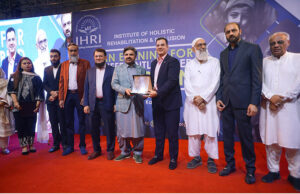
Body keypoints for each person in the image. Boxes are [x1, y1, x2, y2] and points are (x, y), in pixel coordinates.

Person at [216, 22, 263, 184]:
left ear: (240, 31)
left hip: (244, 103)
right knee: (227, 137)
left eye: (233, 30)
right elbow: (222, 78)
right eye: (228, 32)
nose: (231, 33)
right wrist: (219, 98)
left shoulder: (252, 49)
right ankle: (230, 165)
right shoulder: (223, 54)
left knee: (245, 138)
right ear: (225, 35)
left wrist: (254, 102)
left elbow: (257, 79)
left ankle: (250, 169)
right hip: (227, 102)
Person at [259, 32, 300, 191]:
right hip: (269, 109)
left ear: (287, 42)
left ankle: (295, 174)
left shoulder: (297, 59)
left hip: (290, 108)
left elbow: (298, 84)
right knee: (272, 142)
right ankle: (273, 171)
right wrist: (271, 97)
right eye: (273, 43)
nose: (276, 45)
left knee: (292, 144)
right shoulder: (264, 62)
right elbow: (259, 82)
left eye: (280, 42)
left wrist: (280, 99)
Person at [183, 38, 220, 173]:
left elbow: (216, 82)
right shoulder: (189, 64)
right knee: (193, 132)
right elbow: (187, 83)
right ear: (193, 49)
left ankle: (211, 159)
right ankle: (196, 157)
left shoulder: (214, 62)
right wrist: (195, 99)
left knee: (210, 131)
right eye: (199, 45)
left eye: (204, 44)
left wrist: (204, 98)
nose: (203, 47)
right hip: (192, 104)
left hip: (209, 103)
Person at [148, 37, 182, 170]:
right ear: (155, 48)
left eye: (162, 45)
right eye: (157, 45)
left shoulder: (173, 61)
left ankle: (173, 158)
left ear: (167, 47)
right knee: (159, 131)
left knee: (172, 133)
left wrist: (157, 92)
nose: (160, 47)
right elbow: (152, 82)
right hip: (157, 102)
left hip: (171, 103)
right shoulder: (152, 63)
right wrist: (147, 92)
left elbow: (172, 81)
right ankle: (158, 155)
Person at [111, 46, 146, 164]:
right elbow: (114, 84)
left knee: (138, 130)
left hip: (137, 104)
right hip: (123, 103)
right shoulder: (118, 69)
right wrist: (124, 90)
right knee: (122, 131)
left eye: (131, 54)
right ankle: (124, 152)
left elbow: (144, 86)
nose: (128, 56)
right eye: (126, 54)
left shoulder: (141, 69)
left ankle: (137, 153)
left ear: (135, 56)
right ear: (123, 56)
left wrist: (145, 93)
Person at [83, 48, 116, 160]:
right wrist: (86, 104)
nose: (98, 58)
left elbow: (115, 89)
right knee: (93, 128)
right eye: (96, 56)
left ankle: (110, 150)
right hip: (93, 103)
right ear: (94, 57)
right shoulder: (90, 71)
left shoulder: (112, 70)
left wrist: (115, 103)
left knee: (109, 128)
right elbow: (86, 89)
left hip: (107, 103)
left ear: (105, 57)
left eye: (100, 56)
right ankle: (96, 150)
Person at [7, 57, 44, 155]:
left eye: (29, 63)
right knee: (21, 126)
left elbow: (39, 92)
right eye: (24, 63)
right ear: (20, 65)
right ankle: (24, 146)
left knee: (31, 125)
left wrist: (37, 105)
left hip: (31, 105)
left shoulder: (36, 77)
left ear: (32, 65)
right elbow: (11, 91)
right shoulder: (13, 76)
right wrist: (15, 103)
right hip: (18, 105)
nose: (27, 65)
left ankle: (31, 145)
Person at [59, 43, 90, 156]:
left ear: (78, 51)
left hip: (79, 96)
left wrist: (85, 97)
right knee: (68, 122)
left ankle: (82, 146)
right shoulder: (64, 65)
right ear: (68, 52)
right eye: (71, 51)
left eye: (75, 50)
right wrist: (61, 98)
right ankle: (70, 146)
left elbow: (88, 82)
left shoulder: (85, 63)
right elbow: (61, 82)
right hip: (68, 97)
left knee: (82, 121)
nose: (73, 53)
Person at [43, 49, 66, 153]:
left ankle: (65, 144)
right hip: (51, 100)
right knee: (53, 123)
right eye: (51, 56)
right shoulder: (46, 69)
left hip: (61, 100)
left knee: (63, 122)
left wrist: (57, 93)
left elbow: (66, 83)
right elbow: (44, 84)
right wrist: (51, 92)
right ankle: (56, 144)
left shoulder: (65, 68)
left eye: (55, 56)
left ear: (59, 57)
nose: (53, 58)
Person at [0, 68, 14, 154]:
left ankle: (4, 147)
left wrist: (2, 102)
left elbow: (9, 95)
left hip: (3, 108)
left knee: (3, 129)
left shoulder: (6, 82)